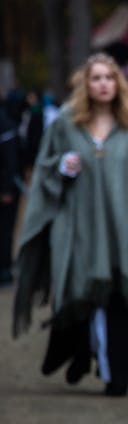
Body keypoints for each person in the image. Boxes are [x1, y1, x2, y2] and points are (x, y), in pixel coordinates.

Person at [12, 53, 128, 396]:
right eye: (96, 78)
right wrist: (62, 167)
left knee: (121, 293)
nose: (103, 84)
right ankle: (78, 352)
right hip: (78, 226)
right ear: (85, 85)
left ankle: (117, 376)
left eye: (109, 77)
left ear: (118, 84)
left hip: (122, 229)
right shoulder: (66, 124)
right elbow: (43, 167)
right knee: (80, 290)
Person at [0, 100, 22, 286]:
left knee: (5, 229)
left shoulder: (5, 124)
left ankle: (5, 269)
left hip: (6, 187)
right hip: (6, 186)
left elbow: (10, 158)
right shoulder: (6, 124)